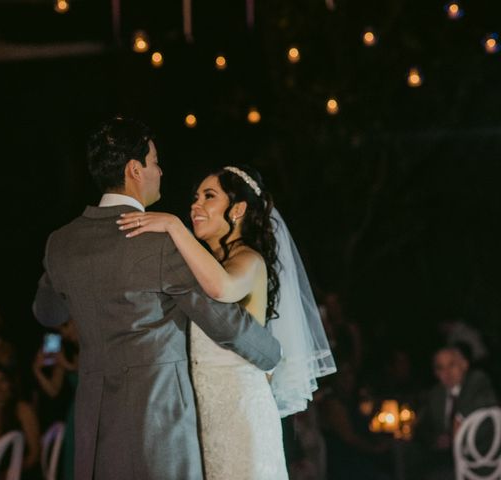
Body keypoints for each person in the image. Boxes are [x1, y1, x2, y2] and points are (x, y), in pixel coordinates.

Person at [33, 117, 282, 480]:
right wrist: (273, 354)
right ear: (135, 170)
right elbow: (224, 322)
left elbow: (47, 313)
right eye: (154, 162)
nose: (160, 171)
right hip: (158, 422)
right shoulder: (159, 241)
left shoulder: (61, 243)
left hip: (91, 420)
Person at [117, 164, 336, 479]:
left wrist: (174, 226)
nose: (196, 205)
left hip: (241, 412)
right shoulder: (206, 266)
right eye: (195, 197)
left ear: (238, 209)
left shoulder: (249, 260)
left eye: (209, 196)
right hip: (202, 415)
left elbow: (221, 287)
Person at [417, 346, 498, 479]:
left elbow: (488, 402)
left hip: (479, 459)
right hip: (445, 458)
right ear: (436, 373)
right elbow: (423, 427)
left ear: (464, 365)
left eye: (452, 365)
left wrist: (459, 421)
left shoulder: (476, 380)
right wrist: (436, 440)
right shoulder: (436, 394)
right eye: (440, 368)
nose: (446, 372)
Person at [33, 319, 79, 480]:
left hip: (98, 409)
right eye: (60, 330)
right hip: (76, 413)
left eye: (66, 326)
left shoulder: (93, 346)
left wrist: (68, 366)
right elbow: (53, 390)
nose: (64, 333)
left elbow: (92, 378)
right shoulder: (65, 352)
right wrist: (37, 370)